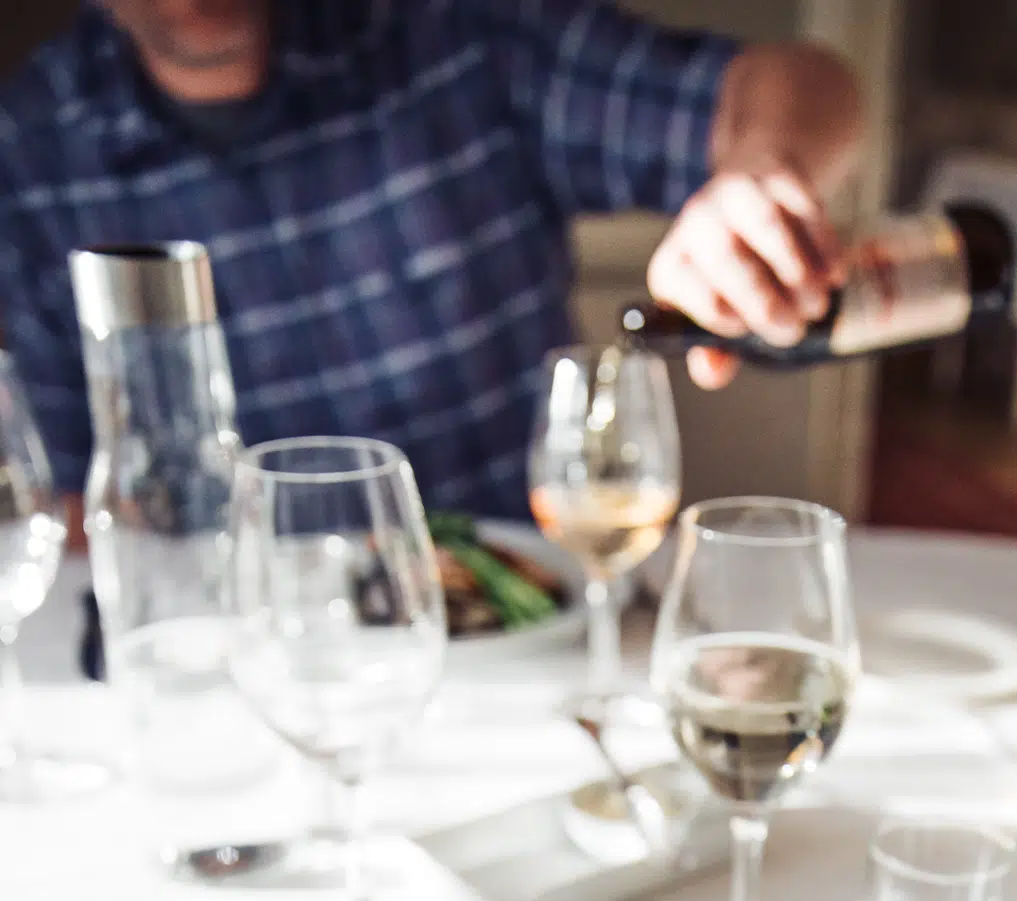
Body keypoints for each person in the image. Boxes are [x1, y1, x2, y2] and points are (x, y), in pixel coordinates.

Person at [0, 1, 862, 516]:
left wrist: (760, 172)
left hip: (529, 620)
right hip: (253, 663)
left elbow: (805, 84)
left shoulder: (452, 32)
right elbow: (76, 504)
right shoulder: (32, 153)